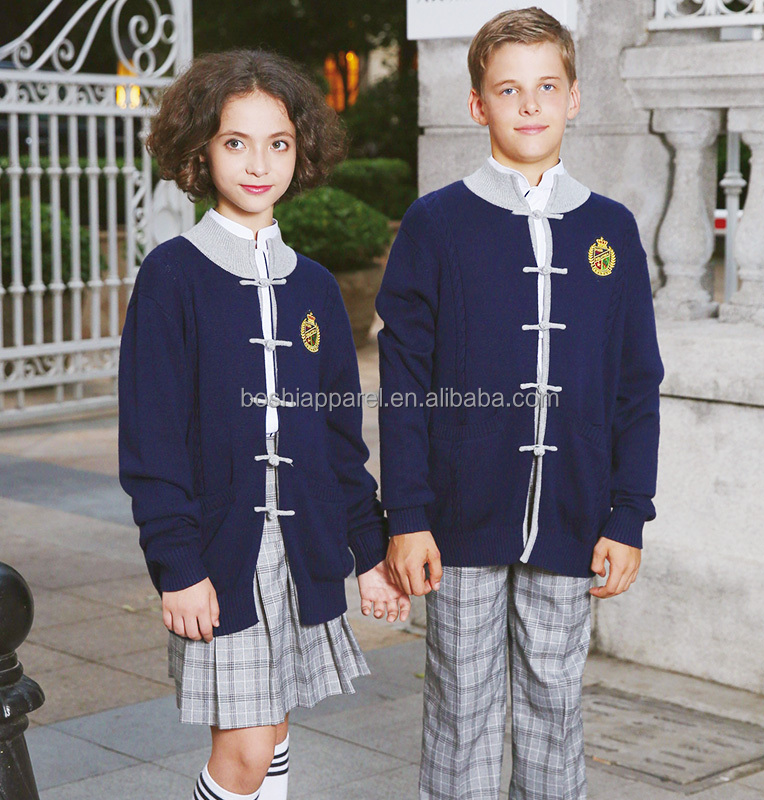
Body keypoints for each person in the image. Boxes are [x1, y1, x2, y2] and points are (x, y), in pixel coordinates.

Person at [377, 7, 664, 800]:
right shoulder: (435, 225)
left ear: (574, 97)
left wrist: (627, 514)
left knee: (553, 708)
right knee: (461, 713)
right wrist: (406, 515)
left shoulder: (612, 229)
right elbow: (402, 380)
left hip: (574, 516)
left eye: (546, 87)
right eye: (509, 90)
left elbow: (638, 383)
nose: (530, 105)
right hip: (457, 521)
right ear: (479, 105)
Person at [118, 49, 409, 800]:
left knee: (273, 732)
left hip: (304, 549)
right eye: (235, 142)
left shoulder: (312, 285)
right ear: (200, 150)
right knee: (243, 753)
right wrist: (176, 564)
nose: (259, 163)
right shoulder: (173, 275)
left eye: (278, 143)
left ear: (300, 150)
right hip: (220, 553)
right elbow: (151, 440)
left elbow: (340, 437)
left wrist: (369, 551)